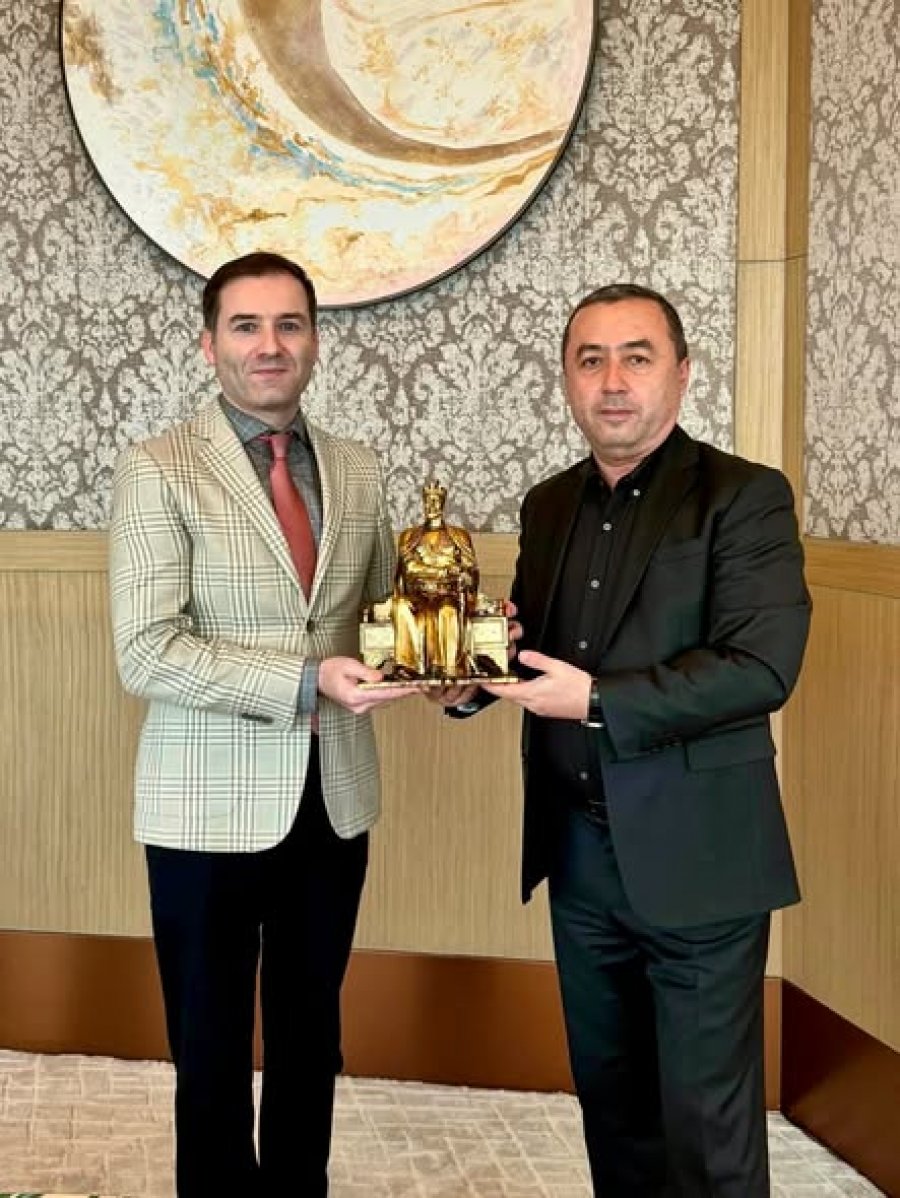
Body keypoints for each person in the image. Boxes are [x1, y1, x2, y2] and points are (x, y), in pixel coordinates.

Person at [448, 284, 811, 1195]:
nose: (613, 380)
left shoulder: (745, 497)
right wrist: (468, 681)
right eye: (591, 360)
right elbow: (531, 648)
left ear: (681, 374)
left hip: (700, 858)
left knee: (707, 1131)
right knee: (614, 1114)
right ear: (567, 379)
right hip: (579, 859)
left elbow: (760, 668)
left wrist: (600, 700)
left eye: (636, 357)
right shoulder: (547, 505)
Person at [108, 251, 412, 1197]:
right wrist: (305, 680)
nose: (269, 344)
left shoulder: (357, 468)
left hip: (333, 800)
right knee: (208, 1050)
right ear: (210, 345)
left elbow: (383, 616)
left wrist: (450, 658)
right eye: (246, 325)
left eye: (289, 324)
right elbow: (146, 652)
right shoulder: (158, 468)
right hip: (203, 809)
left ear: (315, 340)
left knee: (311, 1037)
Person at [392, 481, 479, 678]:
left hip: (448, 594)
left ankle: (449, 667)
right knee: (401, 606)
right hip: (418, 594)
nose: (431, 506)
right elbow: (409, 569)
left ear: (442, 503)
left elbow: (469, 569)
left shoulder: (458, 536)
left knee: (447, 611)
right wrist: (444, 571)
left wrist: (458, 574)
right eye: (427, 502)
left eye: (435, 501)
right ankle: (408, 665)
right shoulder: (409, 537)